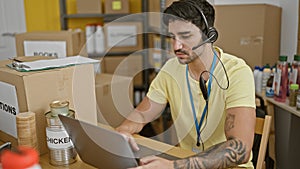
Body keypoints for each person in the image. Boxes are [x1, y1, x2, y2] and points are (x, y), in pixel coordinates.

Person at [116, 0, 256, 168]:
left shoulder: (237, 72)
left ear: (209, 35)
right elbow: (141, 115)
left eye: (186, 36)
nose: (176, 46)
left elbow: (241, 149)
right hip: (185, 161)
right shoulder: (171, 69)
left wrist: (173, 166)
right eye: (172, 37)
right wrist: (123, 131)